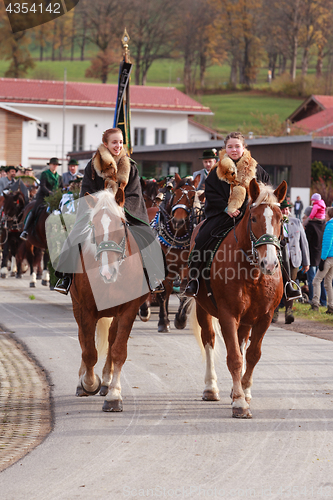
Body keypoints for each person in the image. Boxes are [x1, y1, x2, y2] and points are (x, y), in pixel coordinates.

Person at [184, 132, 301, 300]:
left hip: (252, 217)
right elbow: (211, 193)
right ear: (225, 149)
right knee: (201, 238)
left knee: (279, 242)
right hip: (222, 215)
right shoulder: (216, 171)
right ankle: (193, 280)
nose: (233, 150)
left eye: (237, 146)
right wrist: (226, 208)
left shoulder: (257, 169)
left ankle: (289, 283)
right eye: (230, 147)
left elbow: (267, 194)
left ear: (244, 148)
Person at [54, 127, 165, 295]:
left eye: (120, 142)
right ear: (105, 144)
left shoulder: (131, 166)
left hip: (124, 212)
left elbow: (135, 194)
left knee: (148, 237)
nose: (118, 146)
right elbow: (87, 190)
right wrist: (101, 205)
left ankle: (153, 276)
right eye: (114, 142)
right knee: (74, 236)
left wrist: (117, 209)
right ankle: (66, 277)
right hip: (97, 212)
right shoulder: (92, 166)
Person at [272, 199, 310, 324]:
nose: (285, 211)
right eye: (283, 209)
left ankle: (289, 312)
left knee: (291, 285)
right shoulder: (274, 222)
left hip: (293, 259)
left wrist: (306, 262)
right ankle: (275, 312)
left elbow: (304, 243)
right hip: (278, 259)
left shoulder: (296, 222)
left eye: (287, 209)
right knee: (276, 287)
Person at [20, 157, 63, 240]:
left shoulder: (60, 177)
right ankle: (25, 230)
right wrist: (50, 193)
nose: (55, 166)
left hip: (56, 199)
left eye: (56, 165)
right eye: (53, 164)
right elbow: (42, 186)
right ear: (50, 165)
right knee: (35, 210)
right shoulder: (44, 174)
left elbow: (61, 187)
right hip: (43, 197)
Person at [310, 207, 333, 313]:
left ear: (329, 214)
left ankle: (315, 304)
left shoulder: (330, 225)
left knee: (316, 281)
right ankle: (331, 306)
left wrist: (322, 259)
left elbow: (327, 244)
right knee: (328, 282)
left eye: (326, 213)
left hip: (328, 258)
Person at [305, 200, 327, 306]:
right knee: (321, 281)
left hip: (311, 256)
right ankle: (323, 301)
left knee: (312, 280)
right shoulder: (323, 224)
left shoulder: (310, 226)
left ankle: (312, 300)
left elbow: (306, 243)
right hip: (321, 256)